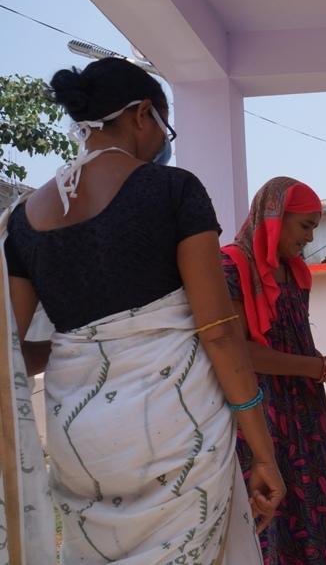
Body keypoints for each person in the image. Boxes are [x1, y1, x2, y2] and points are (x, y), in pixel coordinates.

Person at [0, 57, 284, 564]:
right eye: (164, 127)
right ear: (142, 115)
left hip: (80, 442)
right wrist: (262, 453)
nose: (163, 142)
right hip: (173, 433)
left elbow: (12, 353)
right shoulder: (173, 191)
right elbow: (218, 333)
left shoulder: (23, 220)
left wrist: (80, 345)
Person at [221, 177, 326, 565]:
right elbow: (240, 353)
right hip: (258, 418)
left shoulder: (294, 273)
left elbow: (296, 349)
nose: (310, 238)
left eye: (315, 227)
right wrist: (322, 368)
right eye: (305, 225)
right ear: (275, 218)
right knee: (271, 527)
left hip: (306, 420)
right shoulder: (230, 266)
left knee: (316, 521)